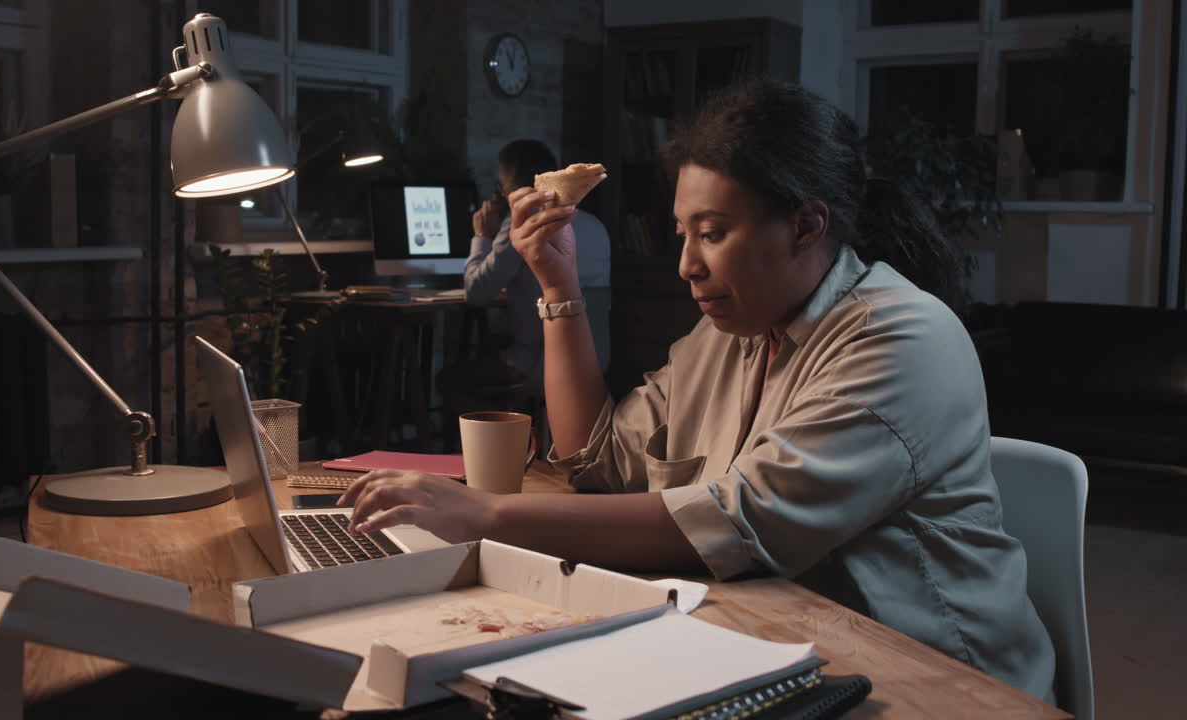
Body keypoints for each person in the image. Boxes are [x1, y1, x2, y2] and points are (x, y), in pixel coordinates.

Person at [342, 80, 1056, 700]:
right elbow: (594, 457)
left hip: (935, 679)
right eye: (682, 233)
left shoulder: (904, 339)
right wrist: (559, 285)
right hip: (780, 641)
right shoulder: (734, 332)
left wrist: (486, 513)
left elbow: (734, 523)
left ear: (807, 224)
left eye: (712, 233)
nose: (687, 265)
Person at [464, 139, 611, 392]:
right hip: (596, 362)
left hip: (535, 365)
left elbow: (475, 292)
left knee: (451, 379)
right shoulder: (597, 226)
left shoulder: (523, 225)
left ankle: (497, 428)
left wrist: (481, 236)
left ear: (505, 189)